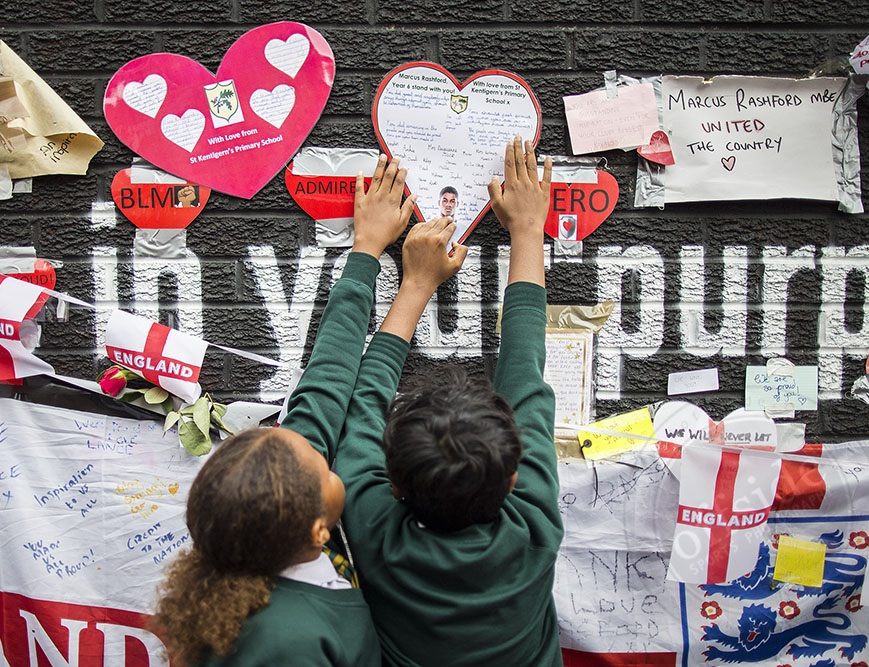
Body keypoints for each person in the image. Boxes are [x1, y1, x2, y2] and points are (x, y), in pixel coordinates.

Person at [151, 154, 416, 666]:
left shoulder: (275, 527)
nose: (319, 444)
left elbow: (325, 385)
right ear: (319, 531)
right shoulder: (284, 646)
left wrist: (367, 251)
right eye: (323, 463)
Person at [337, 137, 562, 666]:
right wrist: (529, 230)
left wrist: (413, 285)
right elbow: (525, 369)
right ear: (512, 478)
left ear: (392, 484)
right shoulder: (530, 533)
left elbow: (361, 401)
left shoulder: (374, 532)